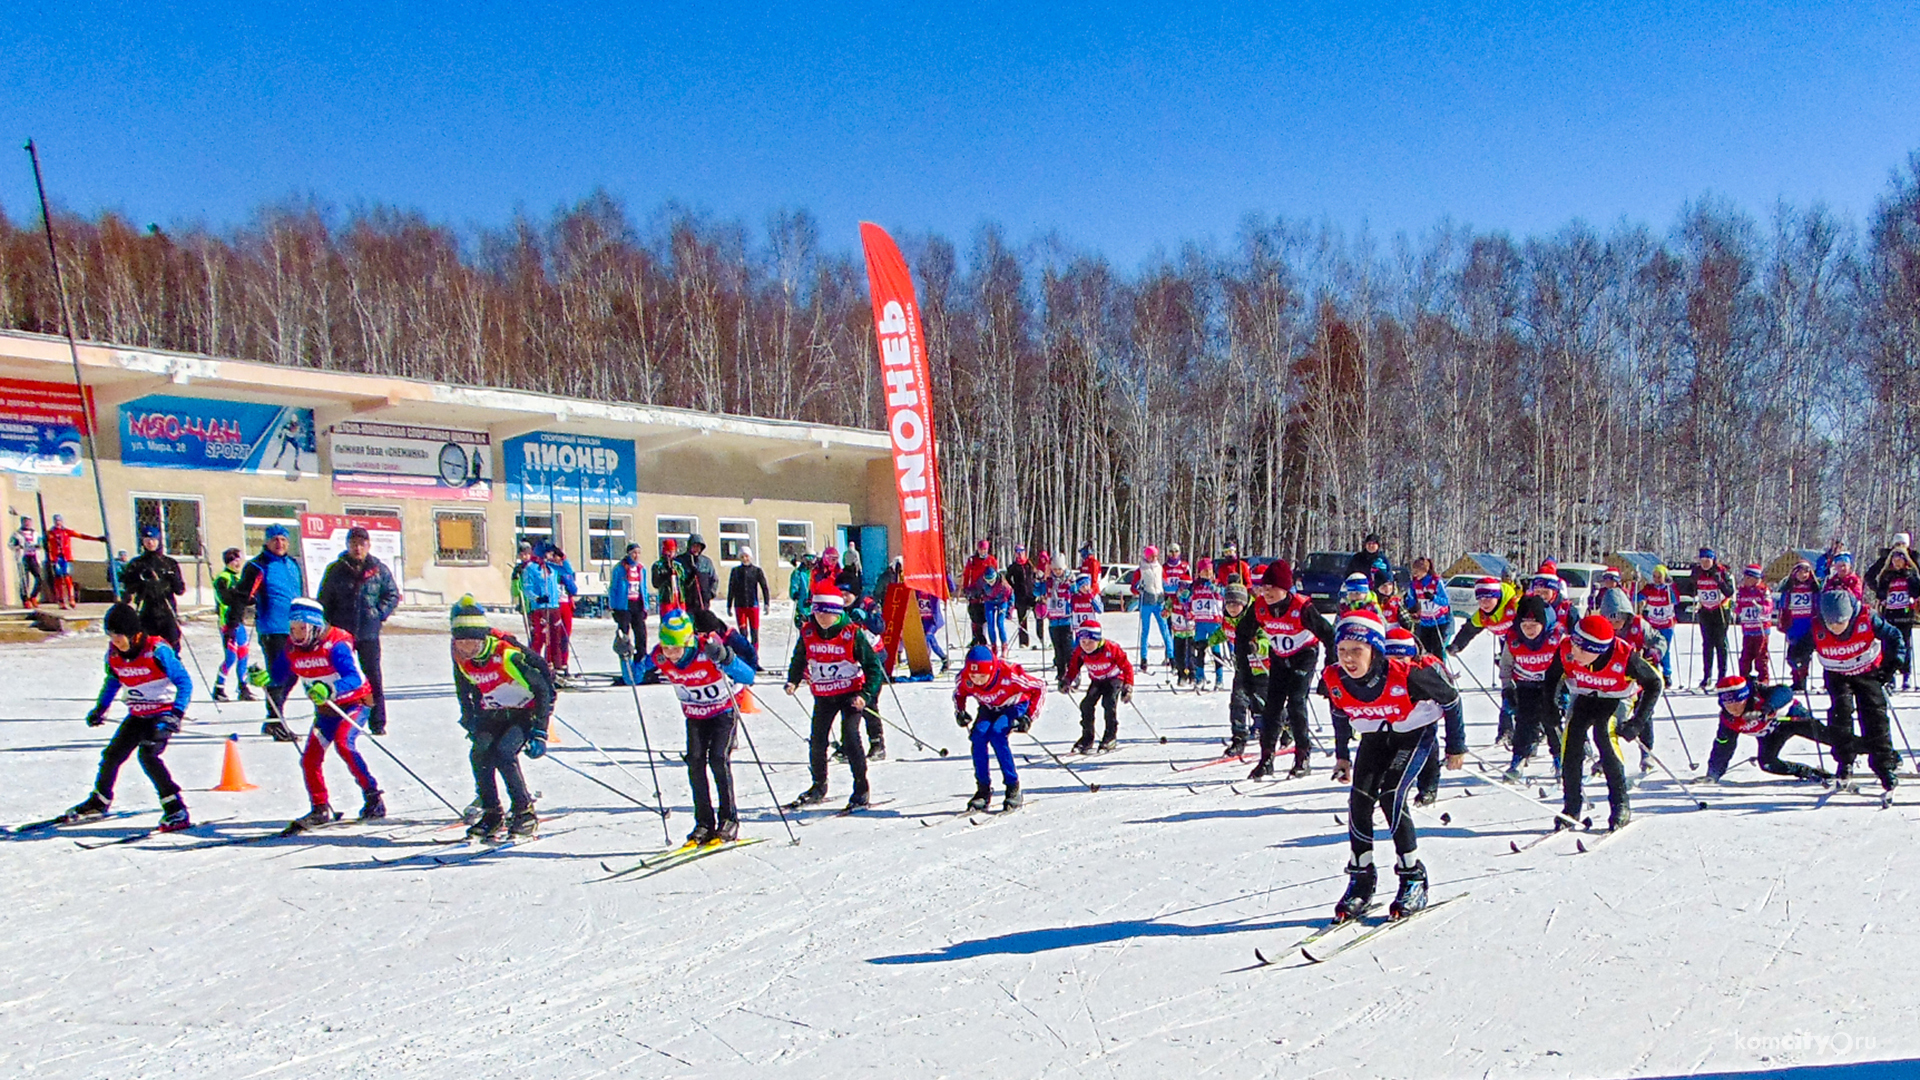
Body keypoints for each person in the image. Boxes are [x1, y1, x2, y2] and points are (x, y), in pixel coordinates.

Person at [1323, 611, 1463, 921]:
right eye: (1342, 650)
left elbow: (1451, 700)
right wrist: (1342, 755)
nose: (1348, 658)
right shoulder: (1335, 677)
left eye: (1357, 650)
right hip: (1376, 737)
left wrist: (1456, 746)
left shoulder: (1407, 673)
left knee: (1391, 796)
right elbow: (1339, 713)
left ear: (1375, 650)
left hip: (1414, 734)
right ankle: (1361, 879)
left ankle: (1412, 876)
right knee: (1359, 800)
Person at [59, 603, 192, 831]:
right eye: (110, 636)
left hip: (162, 713)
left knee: (148, 755)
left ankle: (175, 808)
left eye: (119, 636)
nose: (115, 641)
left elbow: (184, 682)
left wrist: (176, 714)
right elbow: (113, 681)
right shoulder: (113, 654)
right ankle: (100, 800)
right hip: (138, 714)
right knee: (112, 755)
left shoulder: (157, 650)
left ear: (134, 633)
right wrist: (100, 708)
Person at [633, 608, 757, 844]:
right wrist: (626, 656)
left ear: (688, 642)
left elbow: (748, 676)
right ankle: (703, 823)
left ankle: (729, 820)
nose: (671, 654)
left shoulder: (706, 649)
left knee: (718, 760)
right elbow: (634, 677)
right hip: (695, 716)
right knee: (695, 763)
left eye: (676, 648)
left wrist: (726, 657)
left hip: (723, 712)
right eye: (667, 647)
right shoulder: (660, 655)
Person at [271, 598, 384, 830]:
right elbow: (280, 673)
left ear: (314, 626)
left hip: (355, 703)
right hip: (326, 711)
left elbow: (353, 677)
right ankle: (319, 807)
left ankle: (373, 797)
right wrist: (263, 677)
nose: (296, 634)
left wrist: (330, 688)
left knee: (344, 743)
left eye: (302, 628)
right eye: (292, 628)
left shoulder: (336, 644)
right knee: (310, 757)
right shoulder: (292, 648)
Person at [449, 596, 554, 840]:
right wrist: (470, 718)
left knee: (504, 753)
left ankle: (524, 812)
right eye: (460, 643)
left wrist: (540, 730)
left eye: (471, 643)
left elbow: (542, 690)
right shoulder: (462, 659)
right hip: (493, 712)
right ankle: (492, 813)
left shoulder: (506, 655)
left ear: (483, 638)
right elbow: (468, 689)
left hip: (524, 713)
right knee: (479, 754)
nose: (466, 649)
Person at [1558, 613, 1662, 834]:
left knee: (1604, 735)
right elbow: (1552, 679)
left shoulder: (1625, 656)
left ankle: (1620, 806)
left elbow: (1655, 683)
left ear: (1598, 649)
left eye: (1582, 649)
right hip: (1586, 697)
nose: (1574, 652)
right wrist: (1548, 710)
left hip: (1617, 699)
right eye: (1575, 645)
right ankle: (1571, 807)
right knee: (1571, 740)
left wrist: (1637, 722)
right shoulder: (1567, 647)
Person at [784, 590, 885, 810]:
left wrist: (865, 696)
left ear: (837, 613)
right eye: (817, 612)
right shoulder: (809, 632)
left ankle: (861, 788)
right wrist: (793, 680)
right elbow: (800, 657)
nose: (821, 617)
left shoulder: (851, 633)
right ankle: (818, 785)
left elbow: (873, 668)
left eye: (826, 613)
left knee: (850, 736)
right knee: (817, 740)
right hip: (824, 695)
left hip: (850, 693)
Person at [1810, 588, 1907, 792]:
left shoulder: (1867, 617)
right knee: (1840, 715)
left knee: (1875, 716)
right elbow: (1801, 644)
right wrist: (1797, 658)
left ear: (1850, 616)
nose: (1836, 629)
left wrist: (1892, 664)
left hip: (1867, 672)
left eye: (1840, 623)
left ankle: (1884, 766)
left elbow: (1895, 637)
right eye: (1831, 624)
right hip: (1837, 675)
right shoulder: (1817, 624)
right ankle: (1844, 761)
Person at [1248, 561, 1336, 779]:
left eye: (1272, 588)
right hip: (1279, 656)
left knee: (1296, 701)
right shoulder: (1259, 606)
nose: (1266, 592)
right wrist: (1244, 669)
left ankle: (1302, 756)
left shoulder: (1302, 607)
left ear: (1284, 588)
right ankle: (1267, 757)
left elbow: (1329, 636)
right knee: (1272, 707)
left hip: (1304, 654)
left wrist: (1329, 673)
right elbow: (1243, 634)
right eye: (1264, 587)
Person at [316, 526, 401, 733]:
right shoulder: (335, 570)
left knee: (373, 677)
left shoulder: (378, 569)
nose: (357, 548)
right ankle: (339, 717)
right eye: (353, 543)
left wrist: (378, 614)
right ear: (347, 545)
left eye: (362, 544)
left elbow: (392, 594)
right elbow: (324, 601)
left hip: (368, 633)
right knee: (340, 675)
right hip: (341, 634)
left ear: (368, 546)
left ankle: (377, 722)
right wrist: (327, 627)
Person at [953, 643, 1046, 812]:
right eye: (974, 677)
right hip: (988, 707)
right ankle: (983, 789)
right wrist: (960, 712)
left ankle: (1012, 786)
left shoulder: (1009, 673)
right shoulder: (965, 677)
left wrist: (1029, 716)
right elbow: (959, 694)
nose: (978, 681)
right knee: (978, 736)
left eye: (983, 676)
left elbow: (1040, 687)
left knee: (997, 734)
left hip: (1013, 705)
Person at [240, 523, 308, 741]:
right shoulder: (258, 565)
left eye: (283, 539)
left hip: (294, 627)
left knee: (294, 674)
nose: (279, 543)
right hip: (272, 627)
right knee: (279, 675)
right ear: (267, 542)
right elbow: (244, 593)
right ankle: (276, 723)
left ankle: (272, 717)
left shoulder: (292, 564)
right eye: (275, 539)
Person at [1703, 675, 1833, 783]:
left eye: (1737, 703)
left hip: (1791, 718)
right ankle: (1807, 772)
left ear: (1745, 698)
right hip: (1770, 734)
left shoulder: (1757, 692)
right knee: (1767, 764)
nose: (1733, 709)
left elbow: (1785, 691)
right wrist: (1713, 774)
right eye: (1727, 705)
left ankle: (1848, 760)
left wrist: (1768, 708)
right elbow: (1723, 747)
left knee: (1829, 737)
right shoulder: (1728, 720)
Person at [1500, 595, 1565, 781]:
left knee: (1551, 721)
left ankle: (1560, 758)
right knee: (1524, 722)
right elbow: (1506, 666)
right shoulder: (1513, 639)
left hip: (1551, 685)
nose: (1529, 630)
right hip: (1525, 684)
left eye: (1533, 625)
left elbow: (1570, 663)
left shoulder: (1557, 637)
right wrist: (1507, 689)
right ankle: (1519, 758)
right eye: (1524, 625)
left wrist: (1567, 689)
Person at [1061, 618, 1134, 753]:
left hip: (1114, 678)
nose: (1086, 645)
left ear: (1098, 640)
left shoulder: (1111, 648)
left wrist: (1128, 686)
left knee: (1109, 703)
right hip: (1097, 680)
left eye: (1090, 642)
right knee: (1086, 705)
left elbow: (1127, 667)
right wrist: (1067, 680)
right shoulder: (1080, 651)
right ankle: (1087, 738)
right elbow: (1073, 668)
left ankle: (1110, 736)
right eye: (1083, 642)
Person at [1213, 583, 1267, 757]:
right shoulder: (1227, 620)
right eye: (1229, 604)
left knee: (1264, 705)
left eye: (1236, 604)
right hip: (1243, 670)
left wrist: (1257, 646)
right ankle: (1238, 739)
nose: (1232, 607)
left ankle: (1286, 729)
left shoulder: (1255, 620)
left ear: (1244, 604)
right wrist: (1205, 643)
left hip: (1263, 671)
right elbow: (1223, 633)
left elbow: (1267, 641)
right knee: (1238, 703)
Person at [119, 525, 184, 650]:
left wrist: (170, 578)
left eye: (153, 539)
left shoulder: (169, 563)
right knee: (146, 648)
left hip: (167, 610)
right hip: (146, 611)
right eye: (147, 540)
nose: (150, 543)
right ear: (142, 541)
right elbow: (128, 589)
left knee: (172, 646)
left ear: (159, 541)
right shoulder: (136, 563)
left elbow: (180, 590)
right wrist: (139, 580)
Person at [1871, 547, 1919, 691]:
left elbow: (1917, 590)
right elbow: (1880, 591)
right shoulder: (1887, 576)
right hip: (1890, 613)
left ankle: (1906, 674)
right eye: (1895, 561)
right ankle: (1889, 677)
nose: (1897, 564)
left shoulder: (1910, 575)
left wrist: (1914, 599)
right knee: (1888, 645)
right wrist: (1882, 599)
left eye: (1900, 561)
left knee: (1905, 644)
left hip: (1905, 613)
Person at [212, 547, 256, 702]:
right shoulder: (222, 578)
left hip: (240, 623)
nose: (236, 563)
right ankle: (219, 687)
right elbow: (225, 598)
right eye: (233, 560)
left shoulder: (239, 578)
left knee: (243, 655)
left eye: (238, 559)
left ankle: (243, 687)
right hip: (228, 623)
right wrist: (239, 595)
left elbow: (247, 599)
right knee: (231, 657)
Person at [1692, 548, 1735, 690]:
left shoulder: (1722, 571)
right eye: (1702, 560)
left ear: (1713, 560)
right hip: (1705, 610)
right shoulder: (1697, 571)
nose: (1704, 563)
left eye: (1707, 561)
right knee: (1707, 644)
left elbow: (1730, 591)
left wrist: (1720, 581)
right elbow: (1689, 588)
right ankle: (1707, 677)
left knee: (1720, 644)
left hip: (1720, 610)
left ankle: (1722, 676)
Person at [45, 513, 106, 609]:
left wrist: (97, 539)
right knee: (58, 579)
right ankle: (61, 600)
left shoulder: (66, 531)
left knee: (67, 578)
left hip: (66, 558)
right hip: (56, 558)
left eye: (59, 520)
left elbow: (81, 536)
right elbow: (45, 545)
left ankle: (71, 599)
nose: (58, 522)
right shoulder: (50, 533)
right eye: (56, 521)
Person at [609, 542, 651, 682]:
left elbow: (643, 588)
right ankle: (626, 668)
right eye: (634, 552)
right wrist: (614, 607)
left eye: (638, 552)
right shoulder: (620, 568)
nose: (636, 555)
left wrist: (646, 606)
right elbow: (614, 588)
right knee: (624, 637)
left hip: (637, 605)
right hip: (624, 606)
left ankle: (641, 668)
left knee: (641, 636)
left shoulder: (641, 569)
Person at [1777, 559, 1820, 692]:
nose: (1804, 575)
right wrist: (1783, 623)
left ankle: (1802, 681)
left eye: (1807, 572)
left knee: (1804, 655)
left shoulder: (1814, 588)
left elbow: (1818, 605)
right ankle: (1796, 678)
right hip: (1794, 625)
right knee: (1792, 655)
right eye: (1801, 572)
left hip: (1809, 625)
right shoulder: (1789, 588)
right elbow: (1783, 606)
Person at [1636, 564, 1680, 684]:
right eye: (1654, 576)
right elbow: (1636, 597)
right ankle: (1654, 672)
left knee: (1664, 649)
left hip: (1666, 624)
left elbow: (1676, 600)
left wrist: (1670, 586)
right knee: (1652, 649)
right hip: (1653, 625)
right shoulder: (1649, 588)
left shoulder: (1668, 588)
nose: (1656, 579)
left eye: (1659, 576)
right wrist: (1636, 584)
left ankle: (1667, 674)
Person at [1734, 564, 1775, 685]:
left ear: (1755, 578)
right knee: (1745, 656)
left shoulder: (1763, 590)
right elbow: (1739, 608)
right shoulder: (1742, 591)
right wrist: (1735, 608)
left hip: (1761, 629)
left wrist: (1761, 608)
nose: (1745, 580)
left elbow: (1769, 607)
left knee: (1760, 656)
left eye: (1748, 578)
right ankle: (1744, 678)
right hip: (1747, 629)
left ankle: (1764, 679)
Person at [726, 546, 772, 651]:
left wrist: (766, 603)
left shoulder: (757, 571)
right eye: (742, 556)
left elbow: (764, 587)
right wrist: (729, 605)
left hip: (753, 605)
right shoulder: (735, 571)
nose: (745, 558)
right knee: (743, 633)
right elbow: (731, 588)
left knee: (754, 632)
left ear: (750, 557)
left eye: (746, 556)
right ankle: (745, 653)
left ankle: (755, 654)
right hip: (740, 606)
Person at [1189, 562, 1226, 688]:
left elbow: (1226, 593)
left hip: (1214, 621)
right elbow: (1187, 599)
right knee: (1200, 649)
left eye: (1209, 570)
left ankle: (1219, 678)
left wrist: (1219, 590)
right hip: (1200, 621)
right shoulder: (1195, 585)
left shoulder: (1217, 583)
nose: (1208, 573)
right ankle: (1200, 677)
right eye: (1204, 571)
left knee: (1215, 651)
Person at [1134, 545, 1170, 669]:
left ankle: (1171, 656)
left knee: (1164, 629)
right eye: (1151, 556)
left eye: (1155, 556)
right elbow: (1133, 587)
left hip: (1159, 601)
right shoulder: (1141, 569)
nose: (1154, 558)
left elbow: (1165, 583)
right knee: (1145, 630)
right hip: (1146, 602)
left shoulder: (1160, 568)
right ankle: (1144, 658)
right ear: (1146, 556)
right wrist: (1139, 589)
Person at [1407, 557, 1451, 657]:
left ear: (1425, 570)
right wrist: (1412, 607)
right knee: (1424, 650)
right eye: (1413, 571)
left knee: (1437, 651)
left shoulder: (1436, 582)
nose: (1414, 574)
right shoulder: (1415, 583)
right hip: (1424, 622)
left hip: (1439, 621)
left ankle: (1440, 670)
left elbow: (1446, 601)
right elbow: (1411, 599)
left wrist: (1433, 598)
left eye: (1417, 571)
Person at [1041, 555, 1074, 678]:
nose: (1057, 572)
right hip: (1053, 620)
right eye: (1054, 569)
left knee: (1068, 649)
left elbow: (1075, 592)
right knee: (1058, 649)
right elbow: (1037, 591)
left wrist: (1073, 585)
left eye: (1059, 569)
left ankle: (1072, 673)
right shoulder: (1049, 581)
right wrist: (1040, 580)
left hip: (1066, 620)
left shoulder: (1068, 580)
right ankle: (1060, 672)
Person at [547, 545, 578, 675]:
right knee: (554, 636)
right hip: (554, 605)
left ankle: (564, 663)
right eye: (553, 556)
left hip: (565, 605)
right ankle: (551, 663)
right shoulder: (548, 568)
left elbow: (573, 587)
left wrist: (564, 560)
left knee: (565, 636)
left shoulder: (564, 570)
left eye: (557, 557)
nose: (555, 559)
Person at [961, 540, 998, 646]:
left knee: (985, 616)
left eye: (985, 549)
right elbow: (967, 574)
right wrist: (965, 587)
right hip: (974, 589)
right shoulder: (972, 560)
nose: (983, 552)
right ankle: (976, 637)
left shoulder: (991, 560)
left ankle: (983, 638)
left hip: (987, 589)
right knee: (974, 614)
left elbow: (995, 575)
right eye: (981, 549)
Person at [1005, 544, 1039, 649]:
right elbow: (1007, 579)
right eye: (1018, 552)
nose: (1020, 554)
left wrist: (1036, 587)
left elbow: (1035, 577)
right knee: (1022, 619)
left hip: (1032, 595)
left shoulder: (1029, 565)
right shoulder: (1013, 567)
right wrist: (1014, 588)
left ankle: (1041, 637)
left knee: (1039, 616)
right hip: (1020, 596)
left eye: (1022, 551)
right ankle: (1024, 642)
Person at [678, 533, 719, 612]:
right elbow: (679, 580)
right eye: (694, 546)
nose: (696, 549)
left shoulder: (706, 562)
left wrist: (711, 593)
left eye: (698, 547)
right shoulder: (681, 561)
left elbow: (714, 579)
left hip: (703, 601)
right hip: (687, 601)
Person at [9, 515, 43, 607]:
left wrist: (39, 546)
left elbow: (41, 543)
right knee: (24, 580)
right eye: (25, 521)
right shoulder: (17, 534)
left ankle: (34, 596)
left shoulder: (36, 533)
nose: (27, 523)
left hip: (34, 557)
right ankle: (25, 600)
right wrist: (18, 547)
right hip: (23, 557)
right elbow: (10, 544)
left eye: (29, 521)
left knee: (39, 578)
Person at [652, 538, 695, 610]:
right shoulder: (658, 565)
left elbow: (685, 582)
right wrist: (666, 575)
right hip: (667, 600)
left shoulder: (678, 565)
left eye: (673, 551)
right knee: (669, 620)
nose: (671, 554)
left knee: (682, 620)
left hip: (680, 599)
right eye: (669, 551)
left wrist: (692, 575)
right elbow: (656, 583)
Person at [981, 566, 1014, 655]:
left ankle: (1004, 646)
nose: (990, 583)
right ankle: (993, 646)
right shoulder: (983, 583)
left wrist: (1009, 610)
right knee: (990, 623)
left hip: (1002, 602)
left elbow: (1011, 596)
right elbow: (979, 591)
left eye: (992, 581)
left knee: (1000, 623)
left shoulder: (1003, 584)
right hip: (989, 602)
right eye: (988, 581)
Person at [787, 551, 818, 628]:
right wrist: (795, 594)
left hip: (815, 609)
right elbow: (794, 586)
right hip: (802, 608)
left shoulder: (816, 573)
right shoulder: (798, 573)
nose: (809, 562)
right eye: (807, 559)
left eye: (812, 559)